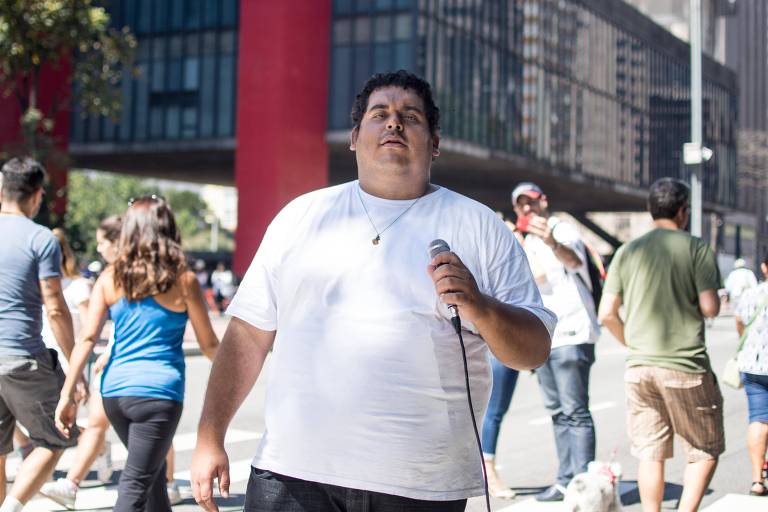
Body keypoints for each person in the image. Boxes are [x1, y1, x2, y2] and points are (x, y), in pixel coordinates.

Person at [190, 70, 555, 512]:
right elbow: (248, 334)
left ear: (434, 143)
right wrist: (210, 438)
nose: (394, 123)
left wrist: (480, 306)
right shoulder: (301, 216)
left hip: (421, 486)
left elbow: (532, 350)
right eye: (379, 114)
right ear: (354, 137)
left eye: (411, 116)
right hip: (292, 477)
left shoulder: (480, 226)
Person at [55, 196, 220, 511]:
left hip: (115, 394)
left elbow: (87, 338)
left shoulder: (110, 277)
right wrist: (238, 377)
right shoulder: (183, 280)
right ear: (167, 229)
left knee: (151, 477)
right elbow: (210, 344)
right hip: (158, 396)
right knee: (135, 484)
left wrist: (67, 394)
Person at [599, 178, 724, 512]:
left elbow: (607, 313)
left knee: (650, 452)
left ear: (649, 210)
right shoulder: (696, 248)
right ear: (683, 212)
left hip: (639, 368)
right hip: (685, 366)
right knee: (704, 449)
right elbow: (711, 307)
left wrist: (634, 343)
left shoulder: (627, 251)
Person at [511, 181, 600, 502]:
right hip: (545, 335)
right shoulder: (528, 241)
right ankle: (565, 480)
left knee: (575, 411)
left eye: (531, 202)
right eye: (521, 205)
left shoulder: (561, 230)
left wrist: (550, 241)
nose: (527, 209)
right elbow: (534, 280)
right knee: (557, 412)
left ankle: (584, 484)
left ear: (543, 202)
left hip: (573, 332)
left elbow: (574, 262)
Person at [0, 157, 80, 512]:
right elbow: (56, 307)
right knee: (56, 436)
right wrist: (75, 358)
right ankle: (12, 507)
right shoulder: (41, 238)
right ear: (37, 195)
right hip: (23, 357)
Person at [40, 216, 122, 507]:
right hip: (42, 358)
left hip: (67, 360)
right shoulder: (41, 282)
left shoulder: (80, 286)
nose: (99, 249)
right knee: (46, 423)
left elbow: (90, 330)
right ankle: (93, 451)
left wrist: (83, 371)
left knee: (62, 423)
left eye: (102, 242)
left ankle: (73, 470)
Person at [734, 254, 768, 496]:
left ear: (764, 267)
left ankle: (757, 480)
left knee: (758, 418)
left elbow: (740, 322)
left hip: (753, 365)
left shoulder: (750, 294)